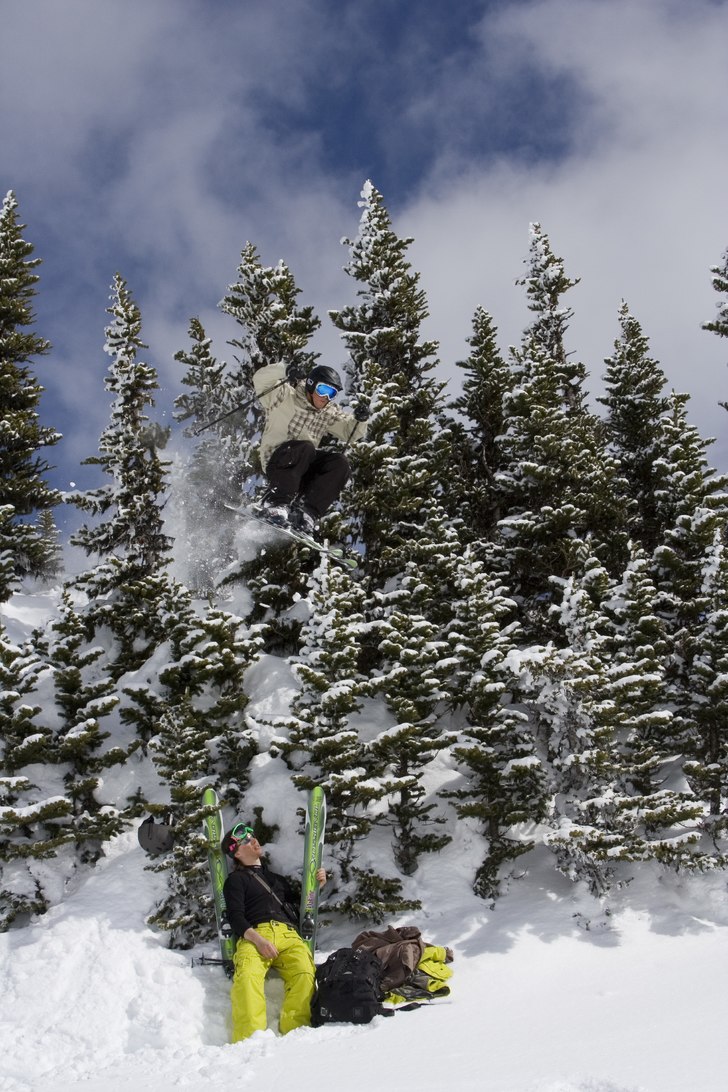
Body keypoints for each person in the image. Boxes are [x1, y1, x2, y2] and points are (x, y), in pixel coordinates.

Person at [221, 821, 326, 1042]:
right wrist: (259, 941)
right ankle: (249, 1040)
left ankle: (296, 1033)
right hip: (255, 935)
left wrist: (317, 886)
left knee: (305, 974)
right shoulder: (235, 881)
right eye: (246, 841)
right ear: (237, 853)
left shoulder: (277, 880)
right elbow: (235, 917)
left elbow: (303, 906)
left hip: (289, 936)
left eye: (252, 836)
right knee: (247, 977)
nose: (253, 840)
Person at [252, 361, 369, 535]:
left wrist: (360, 419)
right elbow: (261, 379)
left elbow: (349, 432)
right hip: (278, 462)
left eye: (332, 394)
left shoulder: (328, 412)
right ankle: (276, 504)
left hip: (301, 469)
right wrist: (284, 369)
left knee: (340, 462)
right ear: (311, 385)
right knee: (305, 447)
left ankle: (306, 513)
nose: (326, 398)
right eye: (323, 390)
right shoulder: (284, 396)